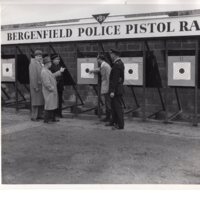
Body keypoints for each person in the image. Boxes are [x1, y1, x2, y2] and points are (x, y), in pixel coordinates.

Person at [41, 56, 65, 123]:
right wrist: (52, 88)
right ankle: (46, 120)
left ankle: (52, 118)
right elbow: (46, 83)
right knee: (49, 105)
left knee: (52, 105)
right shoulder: (44, 72)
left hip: (51, 91)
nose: (51, 64)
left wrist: (59, 72)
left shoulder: (47, 71)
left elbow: (52, 75)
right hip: (49, 91)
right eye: (50, 63)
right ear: (47, 63)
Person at [89, 54, 112, 122]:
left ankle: (109, 118)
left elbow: (108, 77)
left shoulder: (105, 66)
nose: (97, 60)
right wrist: (93, 70)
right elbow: (100, 69)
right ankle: (108, 117)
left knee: (108, 103)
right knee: (107, 102)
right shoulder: (104, 65)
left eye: (97, 59)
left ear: (100, 59)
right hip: (106, 86)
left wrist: (109, 88)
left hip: (107, 87)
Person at [107, 48, 125, 130]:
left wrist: (112, 91)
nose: (110, 56)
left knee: (117, 107)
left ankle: (120, 125)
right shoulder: (119, 63)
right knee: (114, 107)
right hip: (118, 88)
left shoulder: (117, 64)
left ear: (114, 54)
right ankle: (114, 121)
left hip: (116, 90)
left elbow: (115, 79)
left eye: (111, 54)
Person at [29, 50, 44, 121]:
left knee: (40, 101)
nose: (39, 57)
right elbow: (33, 76)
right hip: (36, 85)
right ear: (35, 57)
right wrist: (35, 86)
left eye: (40, 56)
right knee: (35, 102)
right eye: (38, 56)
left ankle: (39, 115)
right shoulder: (33, 64)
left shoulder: (40, 63)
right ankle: (34, 116)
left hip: (40, 85)